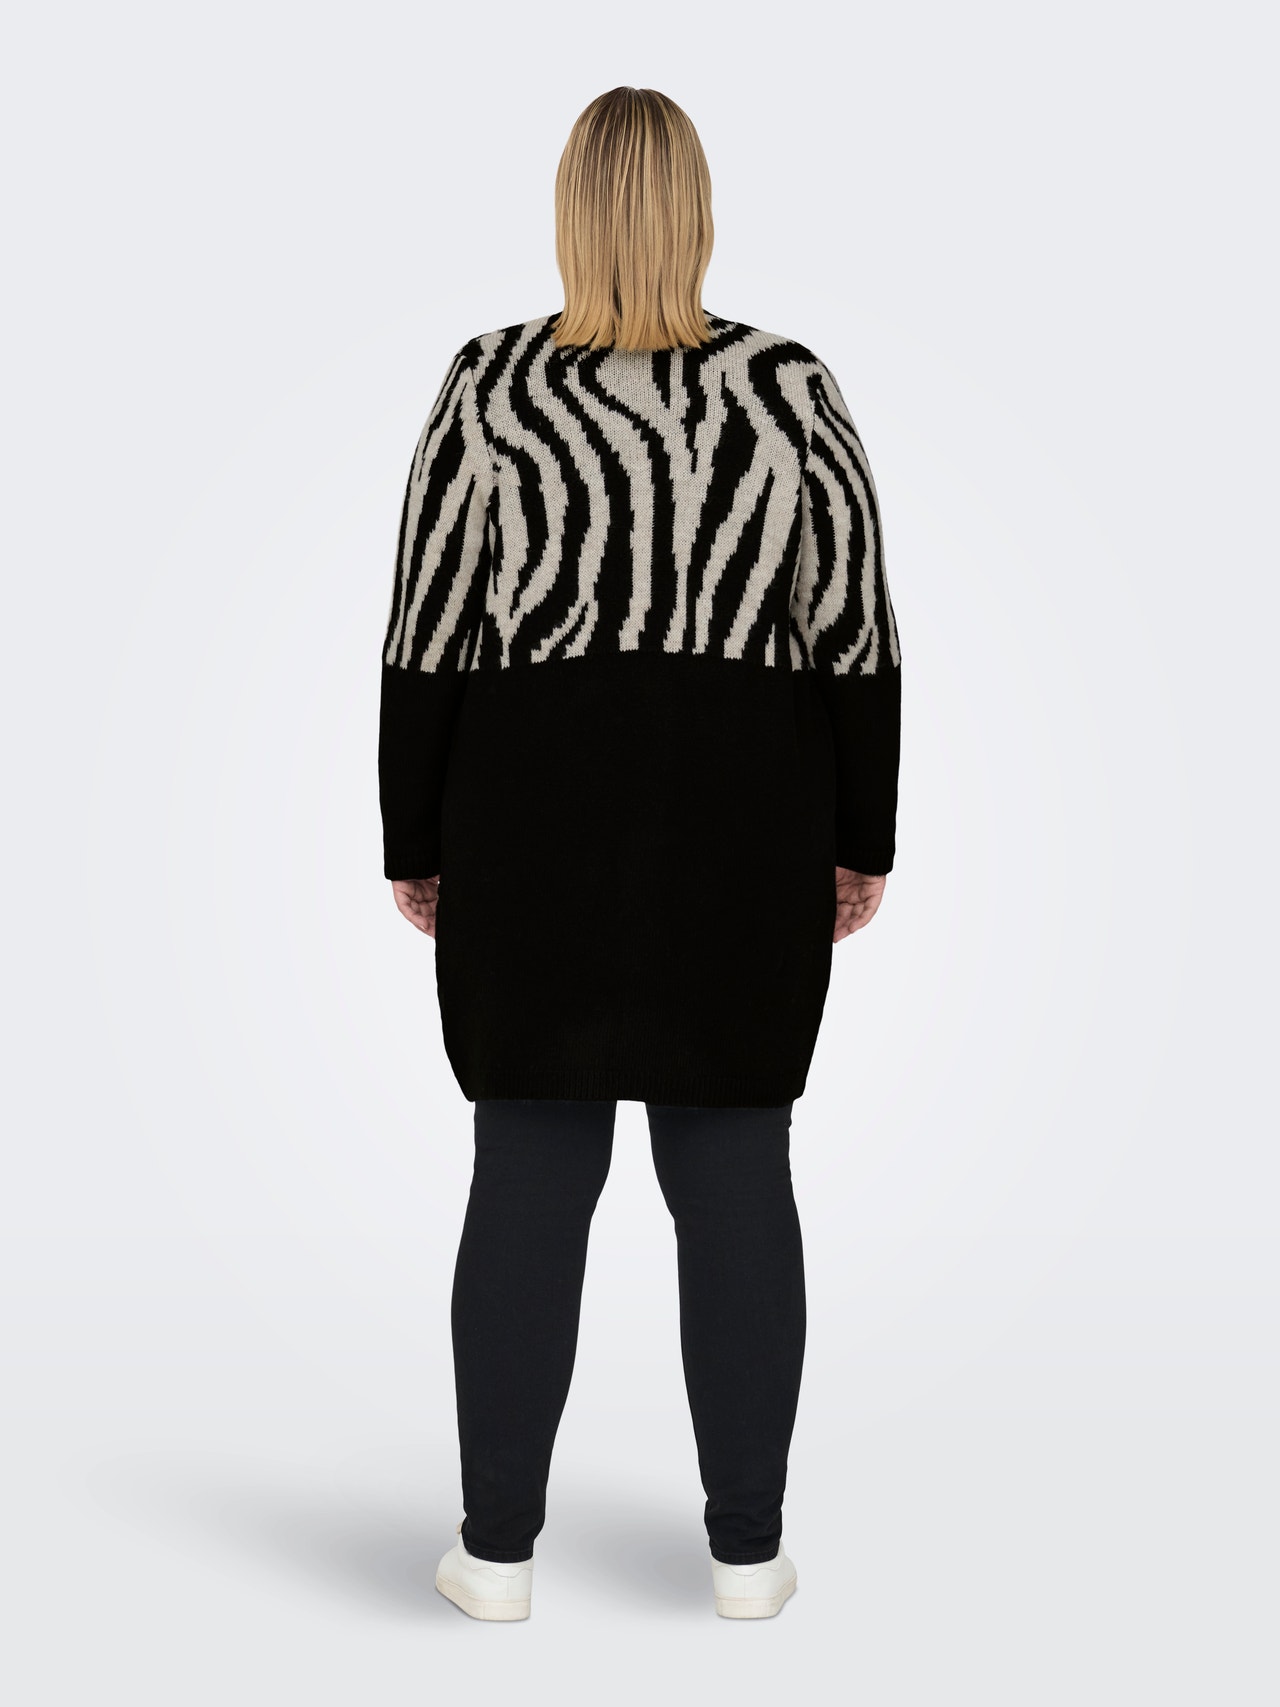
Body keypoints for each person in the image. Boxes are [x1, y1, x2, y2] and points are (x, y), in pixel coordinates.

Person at [377, 86, 902, 1622]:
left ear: (570, 212)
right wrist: (860, 837)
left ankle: (494, 1557)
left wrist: (416, 837)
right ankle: (748, 1557)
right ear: (698, 212)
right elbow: (855, 632)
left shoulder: (489, 385)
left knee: (529, 1176)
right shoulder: (789, 387)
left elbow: (427, 630)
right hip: (745, 838)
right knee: (734, 1176)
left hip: (529, 836)